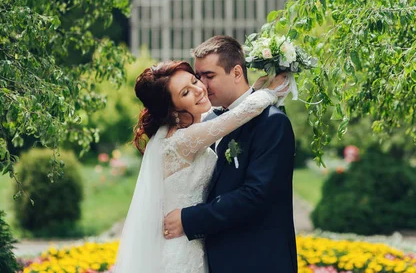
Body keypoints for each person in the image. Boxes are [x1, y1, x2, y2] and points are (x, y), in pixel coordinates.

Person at [112, 58, 289, 273]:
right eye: (185, 93)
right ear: (173, 110)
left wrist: (252, 89)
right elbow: (240, 115)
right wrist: (271, 92)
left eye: (194, 81)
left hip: (195, 240)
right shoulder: (183, 140)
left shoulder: (189, 130)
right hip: (182, 247)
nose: (198, 90)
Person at [163, 36, 298, 273]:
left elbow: (255, 195)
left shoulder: (273, 123)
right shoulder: (210, 122)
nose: (202, 85)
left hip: (257, 261)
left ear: (237, 72)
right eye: (198, 76)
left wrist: (189, 219)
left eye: (209, 76)